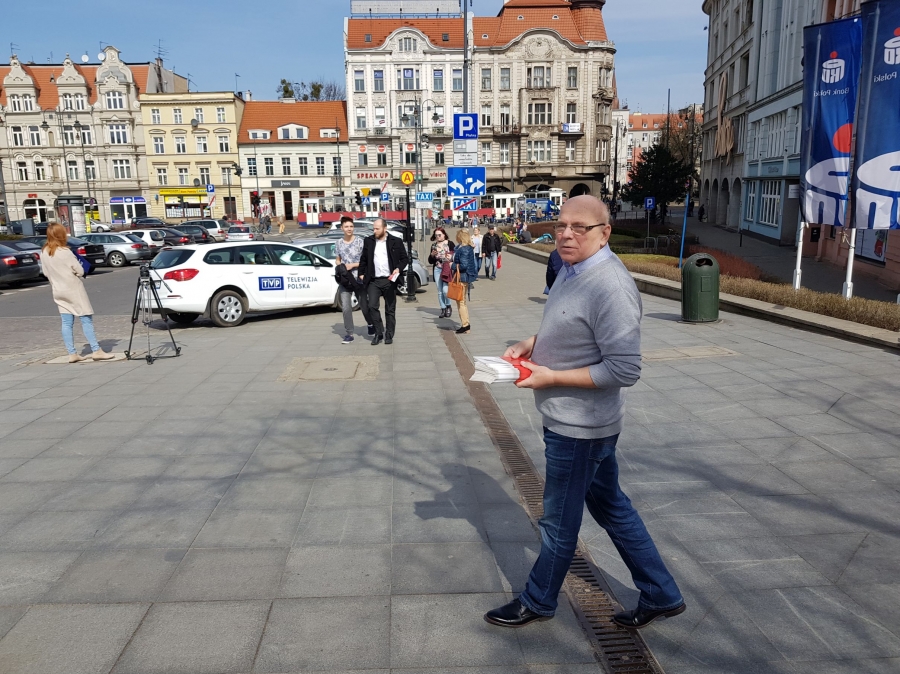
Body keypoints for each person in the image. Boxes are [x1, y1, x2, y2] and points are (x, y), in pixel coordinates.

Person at [484, 195, 685, 631]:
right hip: (574, 419)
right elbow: (570, 326)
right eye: (561, 225)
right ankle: (662, 593)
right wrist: (531, 344)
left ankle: (538, 600)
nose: (566, 234)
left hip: (581, 427)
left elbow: (624, 369)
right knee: (612, 507)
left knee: (558, 521)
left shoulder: (610, 286)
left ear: (604, 233)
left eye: (580, 227)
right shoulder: (570, 268)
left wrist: (551, 377)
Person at [41, 222, 114, 363]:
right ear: (61, 235)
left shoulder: (45, 252)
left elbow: (45, 272)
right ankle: (96, 350)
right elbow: (80, 271)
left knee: (66, 322)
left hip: (58, 290)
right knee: (86, 319)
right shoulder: (65, 252)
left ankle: (72, 353)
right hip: (73, 289)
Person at [358, 218, 409, 345]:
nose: (374, 231)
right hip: (373, 280)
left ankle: (389, 334)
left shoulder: (395, 241)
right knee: (372, 306)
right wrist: (361, 274)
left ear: (385, 228)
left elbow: (404, 259)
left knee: (390, 309)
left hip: (389, 280)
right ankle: (378, 332)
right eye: (373, 229)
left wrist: (398, 268)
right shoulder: (369, 241)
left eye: (377, 228)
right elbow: (363, 259)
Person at [334, 215, 374, 344]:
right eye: (346, 226)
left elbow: (366, 260)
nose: (349, 229)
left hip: (359, 278)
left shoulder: (360, 242)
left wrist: (353, 265)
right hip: (345, 280)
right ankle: (349, 333)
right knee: (346, 307)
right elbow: (338, 259)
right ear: (342, 228)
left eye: (351, 226)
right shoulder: (338, 243)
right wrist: (340, 266)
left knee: (364, 305)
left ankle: (370, 324)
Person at [451, 229, 477, 334]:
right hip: (465, 277)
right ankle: (466, 325)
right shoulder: (467, 248)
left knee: (461, 302)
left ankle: (465, 325)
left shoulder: (464, 249)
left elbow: (463, 265)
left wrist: (452, 265)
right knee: (462, 301)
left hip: (462, 277)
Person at [429, 227, 453, 318]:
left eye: (439, 235)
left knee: (445, 290)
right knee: (439, 291)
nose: (437, 237)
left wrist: (450, 258)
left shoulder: (450, 243)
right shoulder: (434, 245)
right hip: (437, 269)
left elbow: (455, 255)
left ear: (444, 235)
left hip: (446, 269)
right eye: (436, 235)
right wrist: (432, 255)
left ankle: (448, 306)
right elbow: (430, 261)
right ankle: (443, 308)